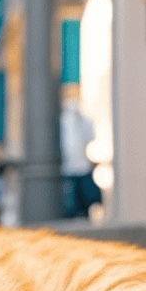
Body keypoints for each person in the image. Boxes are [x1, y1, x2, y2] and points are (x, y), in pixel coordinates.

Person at [60, 86, 100, 218]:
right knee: (71, 204)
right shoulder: (62, 120)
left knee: (86, 200)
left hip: (82, 166)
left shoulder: (84, 119)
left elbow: (90, 137)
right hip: (67, 167)